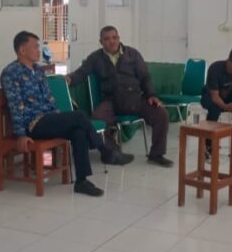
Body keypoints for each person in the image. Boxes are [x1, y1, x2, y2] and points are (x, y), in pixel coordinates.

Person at [0, 31, 133, 197]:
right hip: (32, 125)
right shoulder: (11, 73)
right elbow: (15, 105)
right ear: (22, 50)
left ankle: (82, 182)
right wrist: (21, 134)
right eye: (35, 47)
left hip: (48, 120)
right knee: (79, 116)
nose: (38, 50)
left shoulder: (38, 71)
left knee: (79, 131)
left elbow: (50, 100)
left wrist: (60, 119)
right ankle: (105, 151)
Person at [66, 26, 173, 167]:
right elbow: (81, 73)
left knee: (161, 114)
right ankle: (112, 153)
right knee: (97, 118)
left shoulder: (133, 54)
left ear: (119, 38)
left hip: (134, 98)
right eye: (107, 39)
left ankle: (156, 154)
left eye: (114, 37)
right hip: (111, 100)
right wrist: (69, 79)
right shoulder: (95, 58)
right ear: (101, 42)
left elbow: (145, 77)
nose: (112, 41)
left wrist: (151, 95)